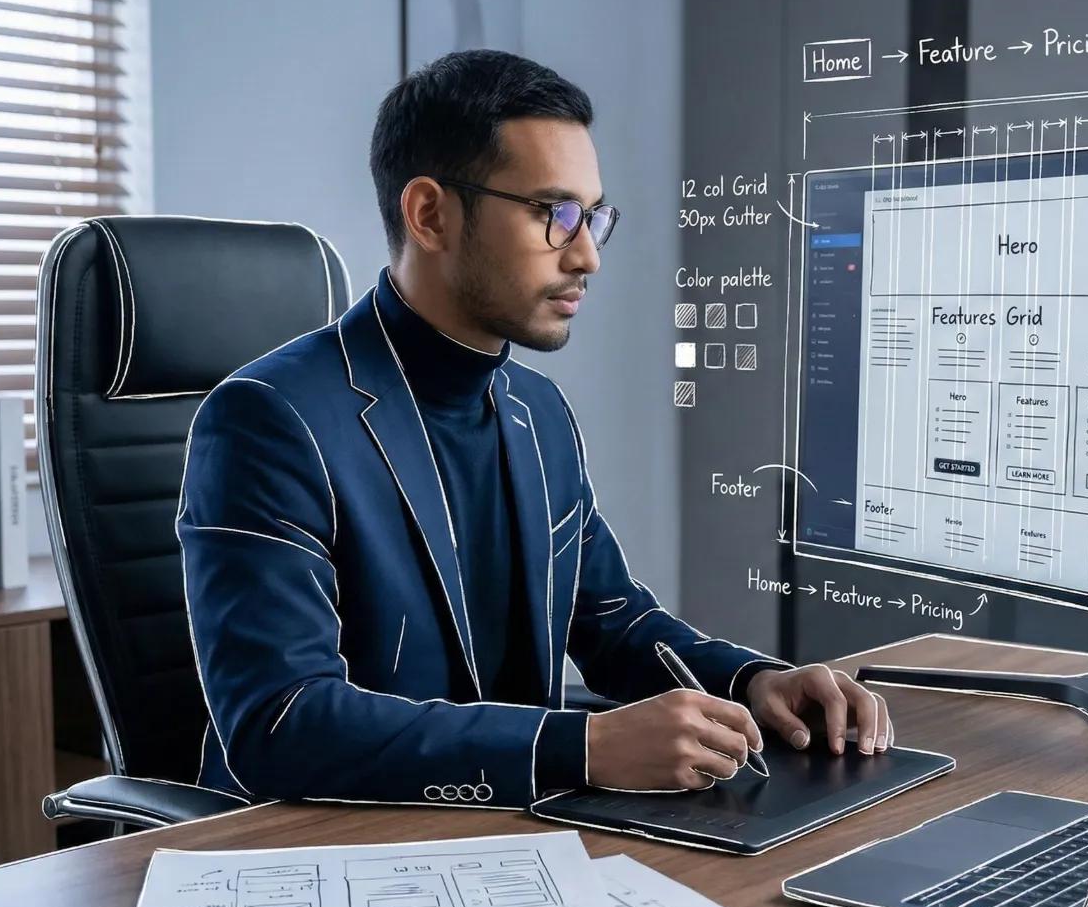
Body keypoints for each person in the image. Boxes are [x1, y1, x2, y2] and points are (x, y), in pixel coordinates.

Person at [177, 49, 893, 806]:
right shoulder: (267, 418)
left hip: (519, 835)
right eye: (553, 214)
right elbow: (280, 723)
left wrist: (753, 682)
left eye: (592, 217)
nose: (586, 256)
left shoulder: (537, 410)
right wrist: (582, 748)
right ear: (430, 215)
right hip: (326, 846)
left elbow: (615, 623)